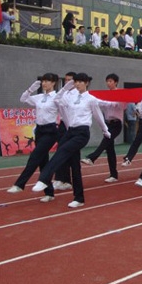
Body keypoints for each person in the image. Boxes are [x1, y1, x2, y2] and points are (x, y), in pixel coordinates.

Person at [32, 73, 110, 208]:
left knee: (63, 150)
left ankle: (44, 178)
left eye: (80, 82)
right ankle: (79, 198)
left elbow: (98, 116)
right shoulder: (71, 98)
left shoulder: (91, 99)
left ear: (86, 83)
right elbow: (56, 100)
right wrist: (64, 89)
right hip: (70, 131)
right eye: (76, 82)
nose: (77, 84)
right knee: (75, 166)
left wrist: (105, 130)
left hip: (82, 133)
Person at [7, 73, 59, 201]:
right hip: (39, 131)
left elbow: (65, 111)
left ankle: (20, 184)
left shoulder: (57, 98)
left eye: (47, 81)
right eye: (43, 81)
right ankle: (49, 193)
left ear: (54, 83)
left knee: (35, 156)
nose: (44, 83)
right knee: (42, 161)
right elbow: (23, 99)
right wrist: (30, 89)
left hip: (50, 130)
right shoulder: (39, 97)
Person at [81, 73, 126, 183]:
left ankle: (92, 157)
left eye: (111, 81)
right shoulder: (105, 94)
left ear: (116, 82)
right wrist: (106, 102)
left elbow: (121, 106)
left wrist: (108, 102)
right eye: (107, 81)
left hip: (116, 123)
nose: (108, 83)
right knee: (110, 150)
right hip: (107, 123)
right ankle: (113, 174)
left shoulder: (121, 94)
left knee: (106, 141)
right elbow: (99, 103)